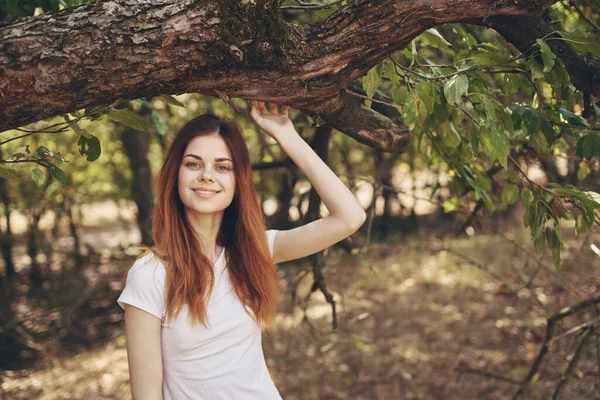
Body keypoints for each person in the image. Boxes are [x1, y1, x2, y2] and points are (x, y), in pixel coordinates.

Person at [117, 101, 366, 400]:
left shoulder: (253, 250)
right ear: (176, 175)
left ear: (237, 181)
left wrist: (287, 136)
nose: (207, 175)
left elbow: (350, 217)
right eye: (193, 164)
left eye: (222, 167)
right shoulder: (150, 274)